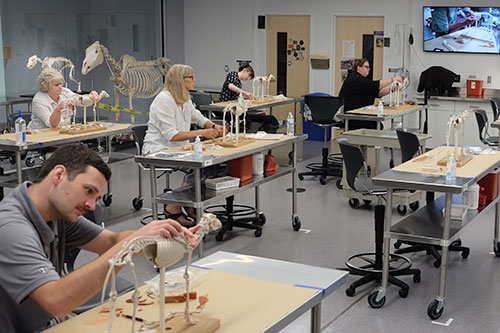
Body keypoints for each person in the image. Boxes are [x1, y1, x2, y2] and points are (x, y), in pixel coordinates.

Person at [0, 143, 199, 332]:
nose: (91, 206)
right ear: (59, 175)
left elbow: (111, 241)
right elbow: (56, 301)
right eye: (88, 191)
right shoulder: (11, 228)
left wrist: (160, 236)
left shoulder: (57, 212)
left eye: (96, 198)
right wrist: (130, 244)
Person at [143, 64, 226, 227]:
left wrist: (215, 127)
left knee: (210, 164)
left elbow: (199, 118)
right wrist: (202, 133)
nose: (195, 81)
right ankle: (175, 206)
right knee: (198, 167)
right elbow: (172, 135)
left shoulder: (184, 98)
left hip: (179, 150)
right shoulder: (164, 100)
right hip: (158, 151)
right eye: (191, 77)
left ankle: (182, 204)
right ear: (181, 80)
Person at [338, 58, 402, 130]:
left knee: (378, 125)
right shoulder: (355, 79)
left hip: (360, 113)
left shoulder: (362, 79)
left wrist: (391, 90)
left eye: (369, 67)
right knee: (376, 126)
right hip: (353, 116)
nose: (369, 69)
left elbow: (377, 93)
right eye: (366, 67)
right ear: (359, 67)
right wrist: (393, 80)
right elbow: (375, 85)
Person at [28, 68, 100, 130]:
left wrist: (91, 97)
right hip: (39, 137)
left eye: (61, 84)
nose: (60, 87)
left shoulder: (65, 92)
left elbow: (81, 101)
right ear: (46, 86)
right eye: (56, 85)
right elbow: (52, 125)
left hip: (61, 133)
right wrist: (58, 109)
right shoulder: (39, 100)